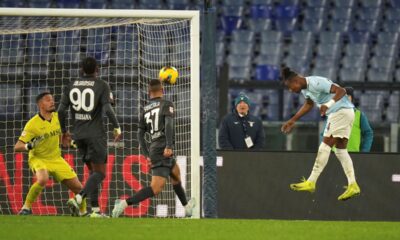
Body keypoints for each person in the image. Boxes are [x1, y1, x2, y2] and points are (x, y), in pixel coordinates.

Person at [112, 79, 195, 218]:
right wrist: (168, 146)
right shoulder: (167, 104)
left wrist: (146, 155)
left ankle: (186, 207)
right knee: (156, 188)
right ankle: (124, 203)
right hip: (163, 148)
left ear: (148, 92)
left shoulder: (144, 109)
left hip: (154, 148)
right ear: (162, 90)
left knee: (176, 174)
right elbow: (169, 125)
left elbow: (139, 134)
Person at [280, 67, 361, 201]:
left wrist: (328, 104)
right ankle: (353, 184)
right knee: (340, 151)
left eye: (290, 87)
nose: (290, 90)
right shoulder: (305, 90)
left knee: (324, 146)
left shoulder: (316, 82)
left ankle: (311, 181)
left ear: (295, 81)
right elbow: (308, 104)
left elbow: (341, 90)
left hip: (339, 111)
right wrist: (292, 120)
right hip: (344, 112)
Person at [57, 56, 122, 218]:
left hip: (78, 135)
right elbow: (107, 109)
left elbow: (60, 111)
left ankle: (95, 210)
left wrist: (64, 131)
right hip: (95, 135)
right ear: (97, 69)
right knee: (100, 173)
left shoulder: (71, 85)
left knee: (93, 172)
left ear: (81, 69)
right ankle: (79, 198)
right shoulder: (102, 85)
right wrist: (117, 127)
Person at [14, 92, 86, 215]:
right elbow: (17, 147)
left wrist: (72, 143)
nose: (52, 102)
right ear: (40, 104)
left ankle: (83, 212)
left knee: (79, 188)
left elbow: (63, 139)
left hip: (56, 158)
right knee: (43, 179)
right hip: (39, 158)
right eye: (48, 100)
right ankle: (26, 208)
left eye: (52, 99)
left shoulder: (58, 117)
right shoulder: (32, 124)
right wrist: (28, 146)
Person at [320, 87, 373, 152]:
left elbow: (368, 133)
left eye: (347, 96)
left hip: (354, 155)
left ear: (352, 98)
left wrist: (364, 151)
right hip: (334, 155)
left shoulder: (359, 115)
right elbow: (324, 134)